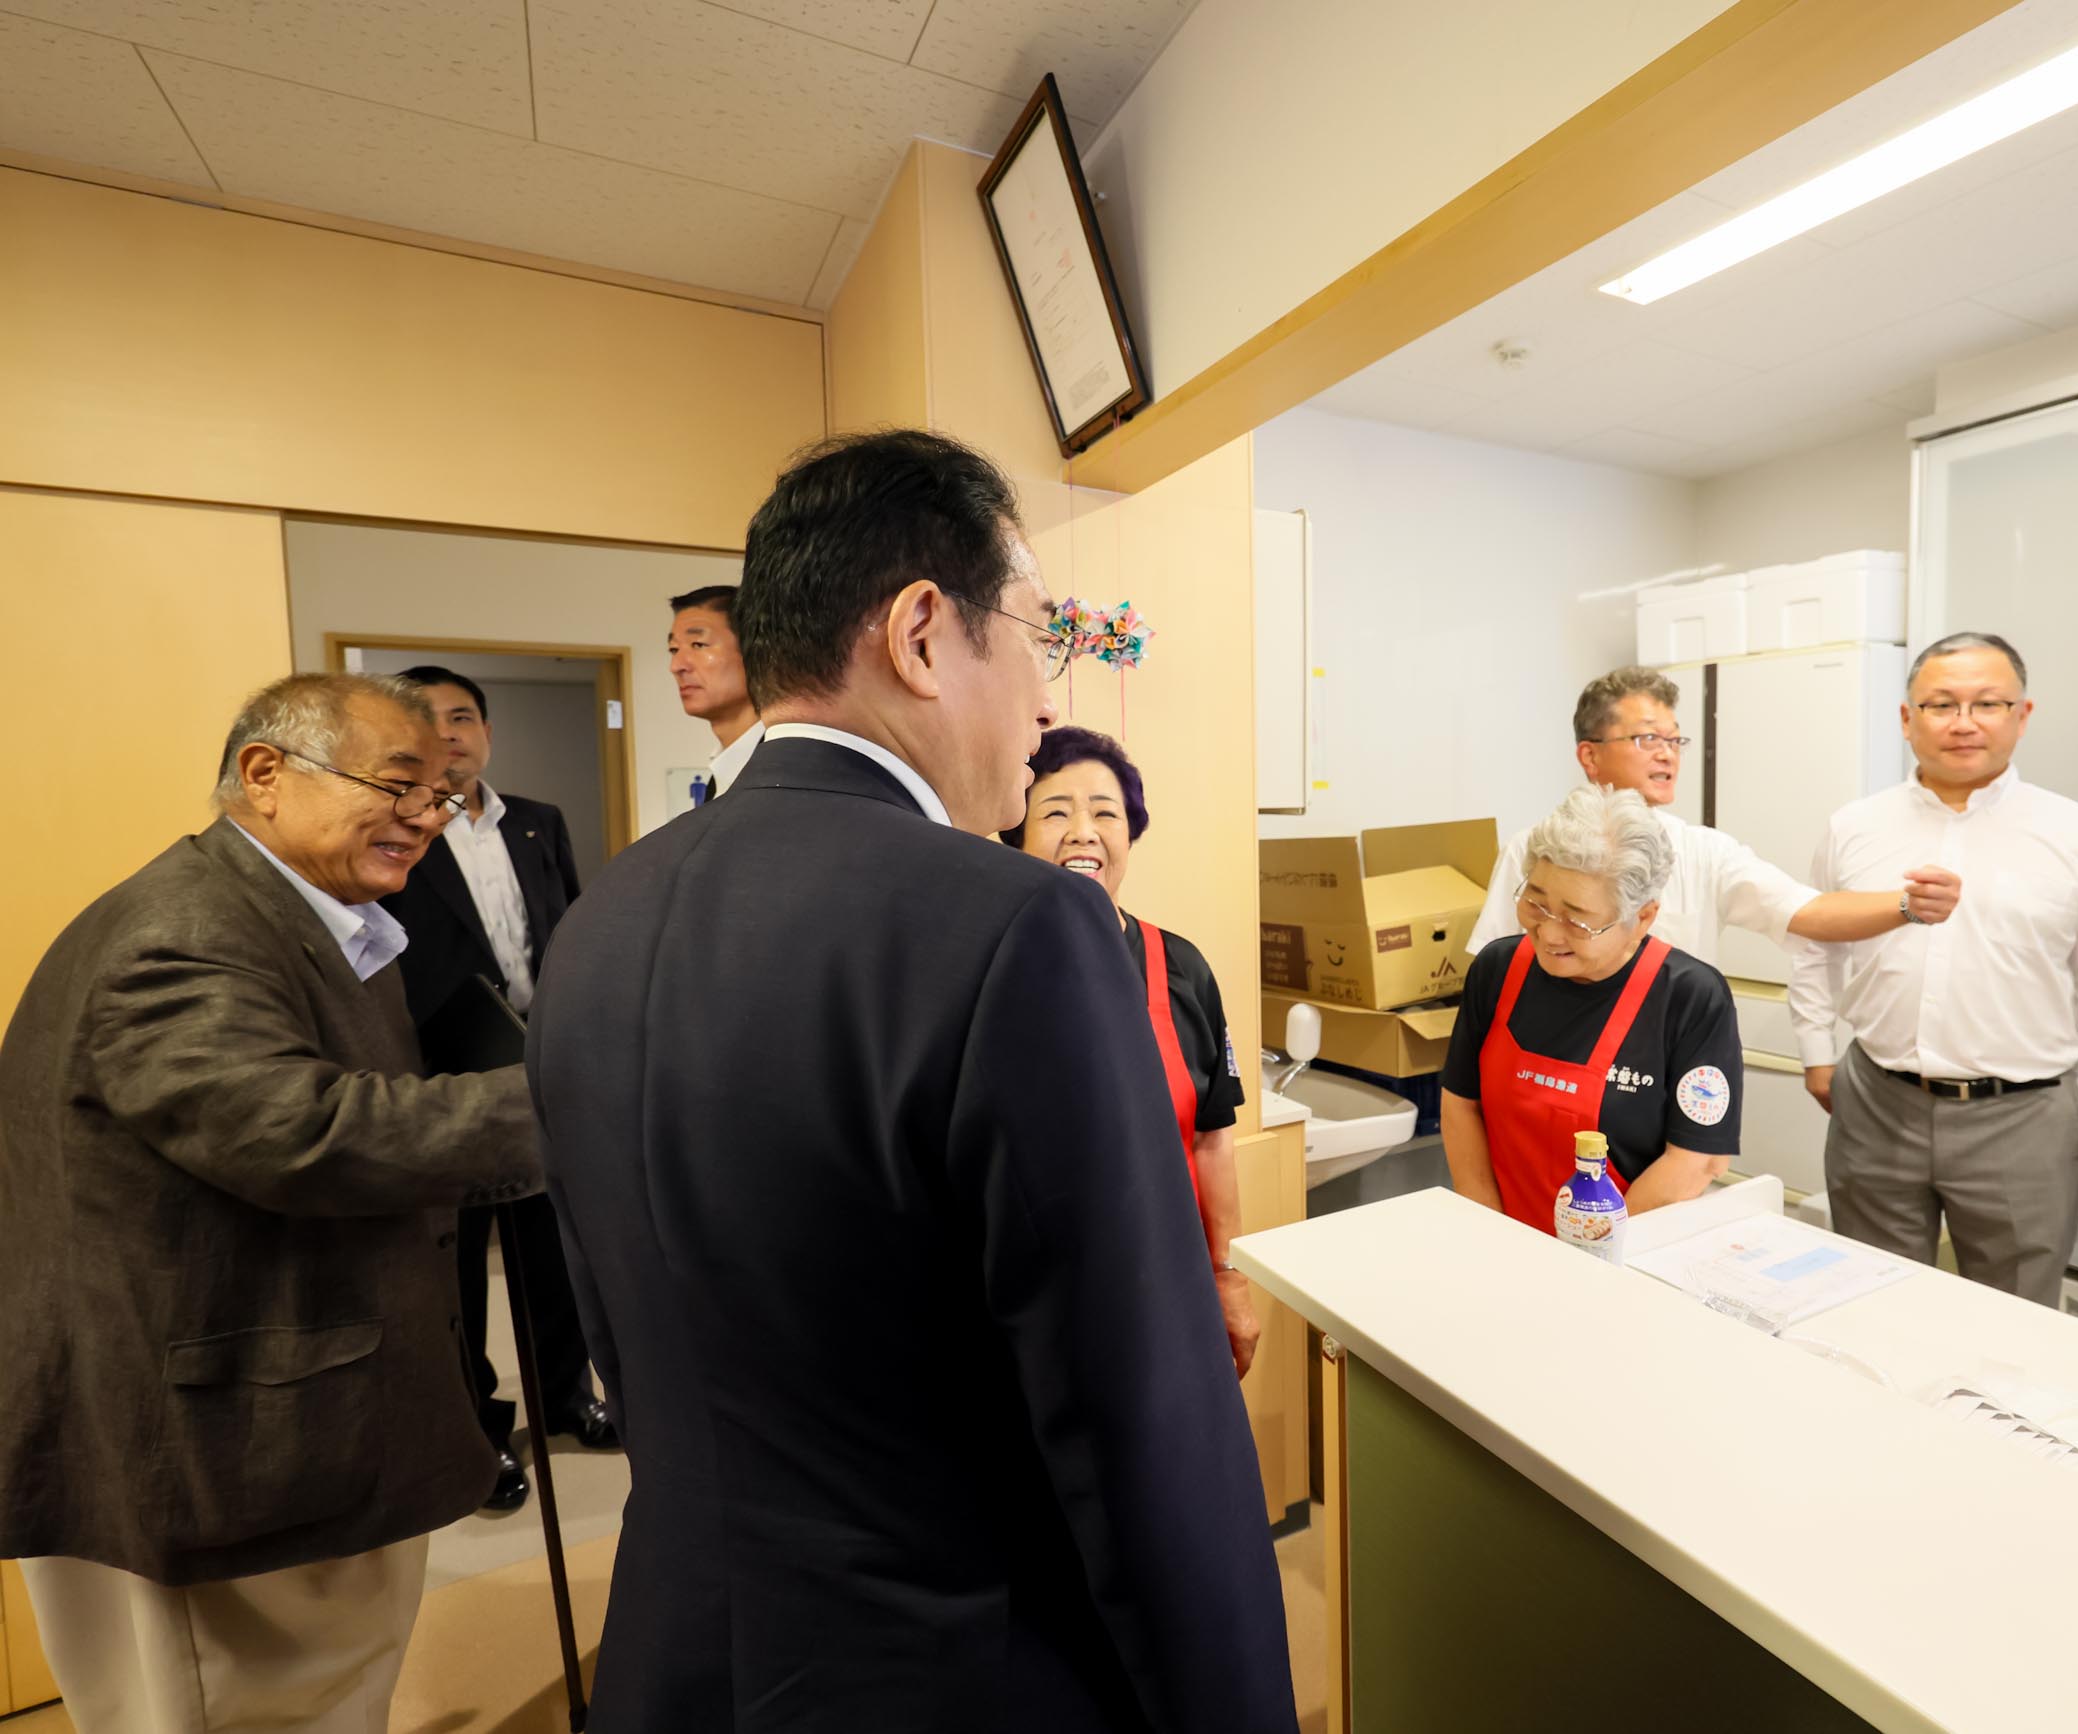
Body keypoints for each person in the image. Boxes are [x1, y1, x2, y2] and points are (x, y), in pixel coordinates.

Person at [528, 429, 1299, 1731]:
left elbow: (622, 1334)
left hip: (681, 1655)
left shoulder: (603, 916)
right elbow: (1142, 1439)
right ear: (924, 632)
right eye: (1037, 638)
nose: (1049, 703)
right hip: (950, 1674)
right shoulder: (1014, 929)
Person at [0, 673, 539, 1734]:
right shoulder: (184, 930)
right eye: (396, 786)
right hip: (220, 1429)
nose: (425, 821)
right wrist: (575, 1093)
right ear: (265, 775)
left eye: (437, 795)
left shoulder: (314, 914)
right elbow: (303, 1132)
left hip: (293, 1404)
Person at [1791, 633, 2078, 1308]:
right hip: (1876, 1102)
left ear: (2022, 715)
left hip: (2024, 1115)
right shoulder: (1854, 826)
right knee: (1871, 1300)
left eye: (1987, 703)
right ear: (1906, 719)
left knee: (2015, 1312)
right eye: (1941, 704)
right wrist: (1814, 1051)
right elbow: (1813, 941)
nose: (1963, 722)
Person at [380, 664, 613, 1515]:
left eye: (466, 717)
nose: (453, 735)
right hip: (441, 1075)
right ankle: (475, 1433)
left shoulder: (537, 825)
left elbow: (571, 926)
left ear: (487, 731)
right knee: (458, 1270)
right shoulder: (399, 827)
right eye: (433, 720)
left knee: (553, 1245)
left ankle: (566, 1396)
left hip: (539, 1065)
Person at [1005, 726, 1260, 1378]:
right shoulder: (987, 971)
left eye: (1105, 813)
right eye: (1055, 811)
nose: (1083, 831)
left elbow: (1211, 1140)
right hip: (1026, 1309)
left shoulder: (1180, 968)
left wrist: (1227, 1275)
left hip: (1164, 1292)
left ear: (1129, 835)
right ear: (1017, 833)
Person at [1468, 666, 1961, 969]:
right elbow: (1491, 966)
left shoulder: (1704, 851)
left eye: (1674, 740)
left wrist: (1907, 906)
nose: (1667, 755)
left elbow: (1805, 911)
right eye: (1646, 740)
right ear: (1590, 756)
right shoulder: (1535, 849)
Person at [1442, 786, 1746, 1233]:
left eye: (1577, 920)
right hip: (1504, 1240)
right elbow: (1460, 1106)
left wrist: (1591, 1252)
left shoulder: (1691, 998)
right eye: (1537, 904)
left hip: (1623, 1255)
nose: (1548, 934)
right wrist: (1493, 1234)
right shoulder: (1498, 970)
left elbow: (1694, 1161)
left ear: (1641, 918)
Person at [669, 582, 764, 795]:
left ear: (753, 650)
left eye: (698, 645)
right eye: (673, 649)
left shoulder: (781, 763)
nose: (676, 666)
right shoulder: (720, 773)